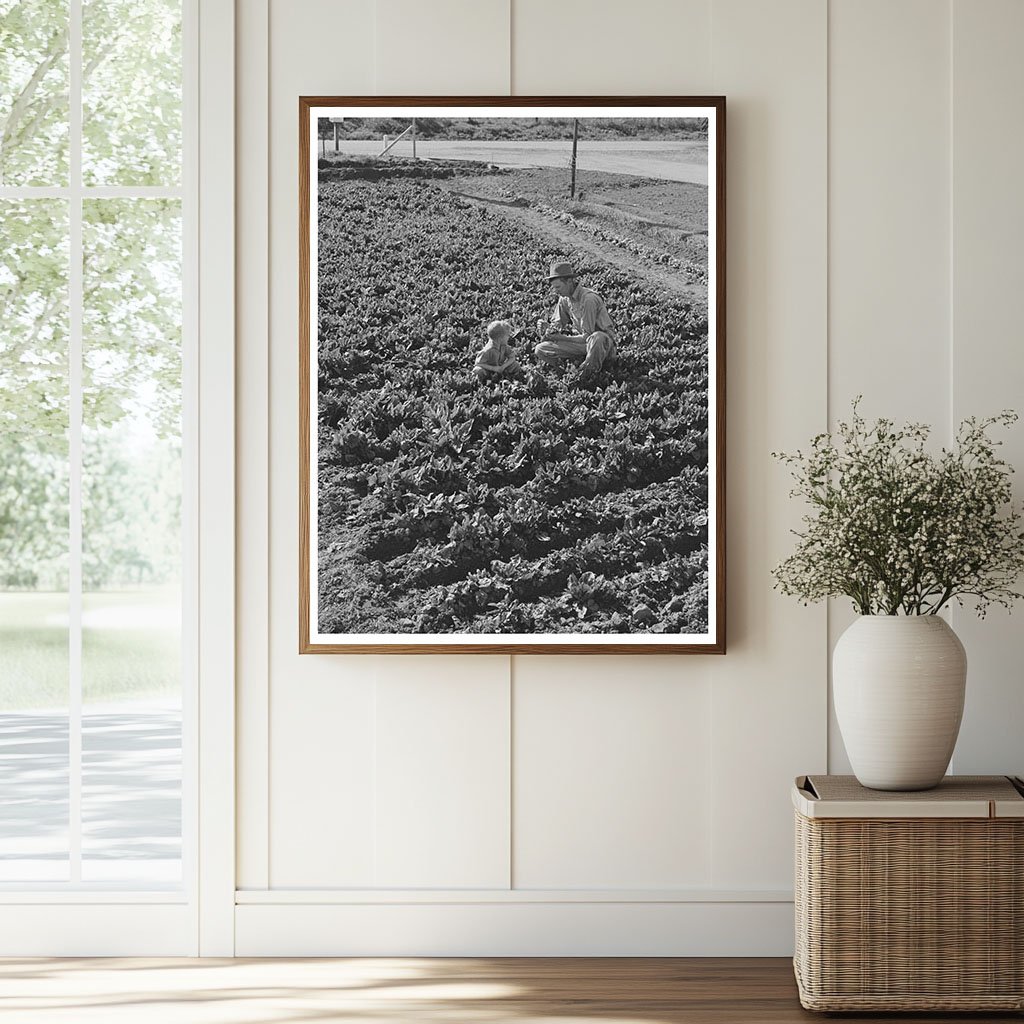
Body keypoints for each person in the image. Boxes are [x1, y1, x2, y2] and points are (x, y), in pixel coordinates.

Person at [534, 261, 619, 380]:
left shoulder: (589, 299)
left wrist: (560, 338)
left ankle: (586, 376)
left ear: (569, 281)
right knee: (540, 349)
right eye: (554, 288)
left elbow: (587, 336)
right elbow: (557, 325)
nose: (556, 291)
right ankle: (565, 371)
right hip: (581, 345)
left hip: (602, 345)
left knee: (597, 337)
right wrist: (547, 328)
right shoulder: (564, 299)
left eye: (558, 287)